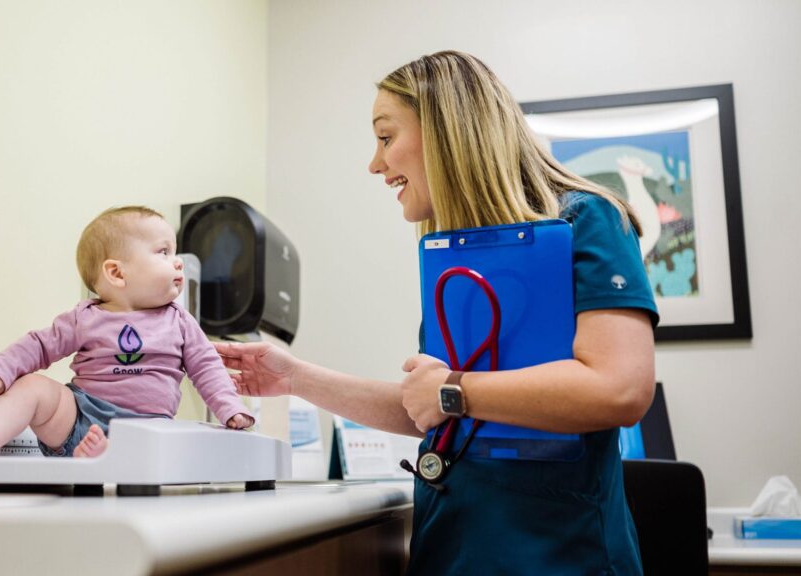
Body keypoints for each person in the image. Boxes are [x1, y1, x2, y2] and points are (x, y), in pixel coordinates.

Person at [214, 51, 657, 575]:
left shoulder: (586, 219)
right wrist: (292, 376)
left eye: (385, 138)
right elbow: (439, 412)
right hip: (452, 552)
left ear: (448, 131)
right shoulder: (454, 258)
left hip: (558, 555)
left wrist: (453, 390)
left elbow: (619, 388)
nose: (375, 164)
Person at [0, 206, 254, 458]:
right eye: (163, 252)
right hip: (79, 416)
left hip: (147, 430)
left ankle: (105, 456)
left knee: (162, 446)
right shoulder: (85, 318)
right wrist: (2, 369)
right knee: (32, 385)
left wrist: (230, 408)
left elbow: (207, 367)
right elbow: (40, 345)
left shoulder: (179, 321)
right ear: (116, 272)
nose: (178, 262)